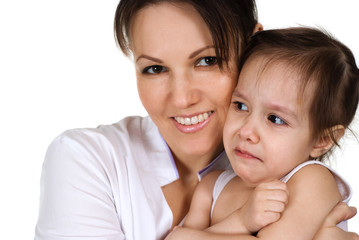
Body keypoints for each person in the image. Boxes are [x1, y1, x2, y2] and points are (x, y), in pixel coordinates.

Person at [35, 0, 359, 239]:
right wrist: (241, 222)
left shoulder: (297, 176)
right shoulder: (87, 159)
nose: (181, 98)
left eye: (207, 60)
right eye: (155, 68)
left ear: (250, 48)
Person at [166, 27, 359, 239]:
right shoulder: (211, 187)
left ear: (321, 140)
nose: (246, 131)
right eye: (240, 106)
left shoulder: (312, 181)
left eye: (275, 119)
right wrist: (241, 220)